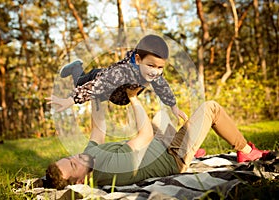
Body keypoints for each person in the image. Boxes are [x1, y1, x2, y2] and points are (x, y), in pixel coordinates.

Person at [45, 87, 269, 190]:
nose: (77, 156)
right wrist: (132, 98)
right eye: (74, 163)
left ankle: (194, 147)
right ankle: (247, 151)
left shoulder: (88, 157)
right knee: (211, 108)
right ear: (79, 181)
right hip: (172, 157)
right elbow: (145, 135)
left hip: (158, 146)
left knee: (161, 116)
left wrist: (95, 95)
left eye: (70, 156)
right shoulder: (110, 168)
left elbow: (98, 129)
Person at [55, 34, 188, 121]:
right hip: (97, 79)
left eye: (160, 67)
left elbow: (162, 87)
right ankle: (76, 66)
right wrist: (72, 99)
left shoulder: (154, 73)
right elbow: (96, 86)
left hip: (113, 93)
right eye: (151, 65)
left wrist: (173, 106)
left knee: (99, 98)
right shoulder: (122, 73)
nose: (155, 72)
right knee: (79, 82)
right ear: (138, 59)